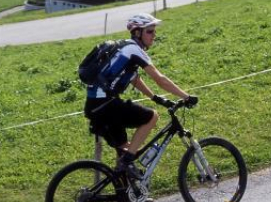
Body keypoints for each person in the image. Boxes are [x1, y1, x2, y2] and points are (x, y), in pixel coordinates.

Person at [84, 13, 198, 182]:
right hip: (106, 105)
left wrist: (155, 98)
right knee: (151, 116)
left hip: (96, 107)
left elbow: (134, 79)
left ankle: (126, 194)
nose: (154, 35)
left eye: (154, 31)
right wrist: (186, 96)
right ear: (138, 33)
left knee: (123, 151)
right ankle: (129, 158)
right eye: (150, 31)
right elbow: (160, 79)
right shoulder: (133, 50)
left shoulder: (124, 49)